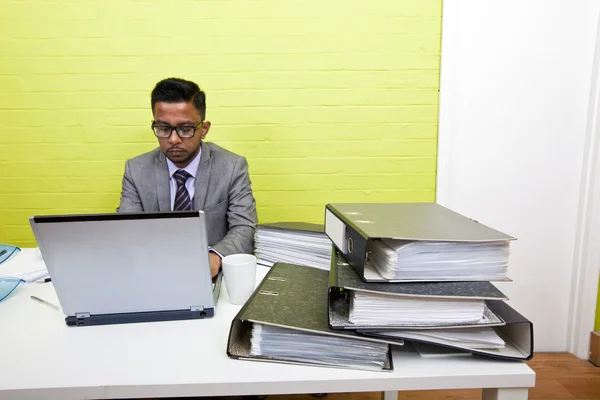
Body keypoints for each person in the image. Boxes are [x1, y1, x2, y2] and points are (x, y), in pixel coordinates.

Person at [116, 77, 257, 278]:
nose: (173, 139)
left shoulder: (232, 167)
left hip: (212, 275)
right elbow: (127, 231)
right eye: (164, 128)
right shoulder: (136, 170)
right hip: (153, 272)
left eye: (185, 129)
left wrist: (215, 256)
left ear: (204, 129)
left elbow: (244, 227)